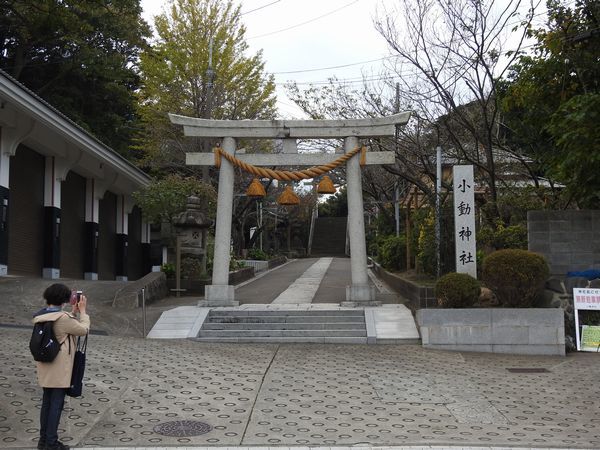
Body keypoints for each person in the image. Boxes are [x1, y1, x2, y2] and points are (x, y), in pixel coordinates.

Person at [33, 283, 90, 450]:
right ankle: (51, 443)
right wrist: (83, 312)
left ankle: (43, 441)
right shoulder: (63, 318)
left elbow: (61, 324)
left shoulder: (41, 315)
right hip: (59, 369)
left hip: (45, 367)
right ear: (64, 299)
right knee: (56, 405)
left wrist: (73, 312)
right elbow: (82, 330)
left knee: (47, 404)